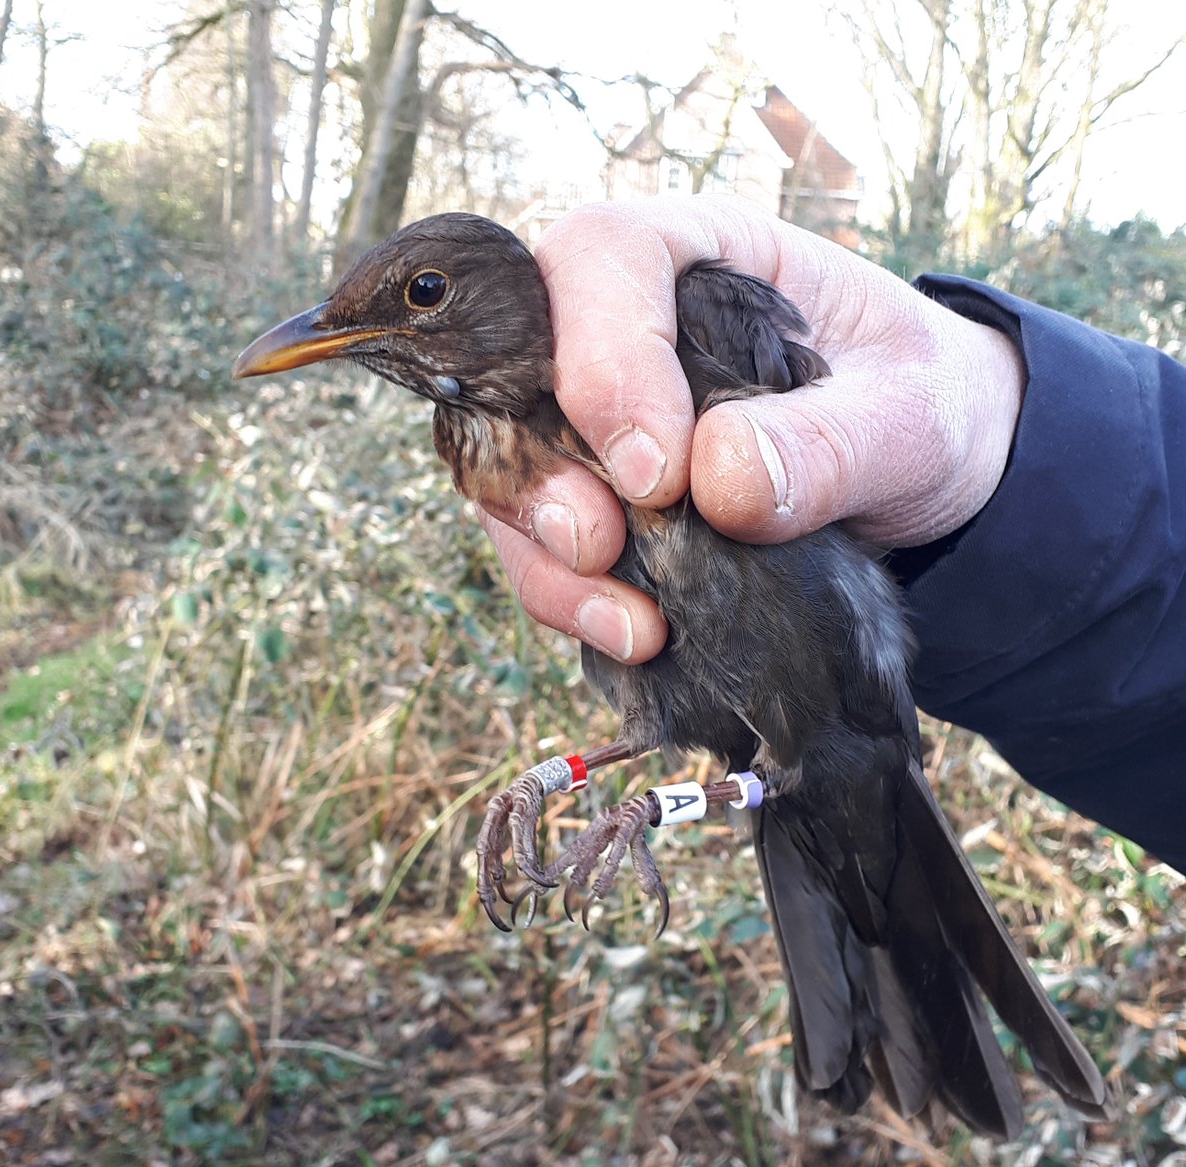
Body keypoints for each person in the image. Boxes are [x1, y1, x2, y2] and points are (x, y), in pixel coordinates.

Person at [474, 195, 1186, 874]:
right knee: (648, 708)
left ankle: (667, 810)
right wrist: (536, 782)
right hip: (751, 729)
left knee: (792, 774)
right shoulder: (498, 430)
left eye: (426, 296)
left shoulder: (671, 328)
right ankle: (600, 796)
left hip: (832, 727)